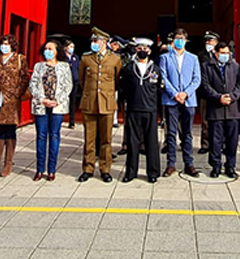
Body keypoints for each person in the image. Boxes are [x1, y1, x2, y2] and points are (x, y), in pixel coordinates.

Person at [78, 27, 122, 183]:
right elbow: (82, 80)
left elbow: (117, 81)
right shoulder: (86, 58)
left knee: (106, 140)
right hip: (90, 102)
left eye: (96, 41)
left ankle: (105, 169)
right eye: (92, 41)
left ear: (104, 42)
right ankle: (88, 168)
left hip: (107, 103)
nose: (94, 43)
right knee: (89, 139)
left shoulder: (115, 59)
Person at [0, 34, 29, 178]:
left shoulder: (20, 59)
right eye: (2, 43)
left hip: (11, 100)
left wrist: (17, 93)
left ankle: (8, 163)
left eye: (7, 44)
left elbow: (24, 78)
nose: (4, 46)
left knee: (10, 130)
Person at [119, 38, 164, 183]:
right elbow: (123, 87)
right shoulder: (128, 68)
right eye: (139, 49)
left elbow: (158, 88)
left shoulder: (155, 68)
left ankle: (153, 172)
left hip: (150, 109)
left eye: (145, 49)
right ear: (135, 50)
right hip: (133, 108)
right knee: (132, 142)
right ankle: (131, 172)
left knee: (151, 142)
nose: (142, 51)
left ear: (150, 51)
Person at [160, 28, 202, 178]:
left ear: (186, 40)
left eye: (182, 38)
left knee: (187, 133)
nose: (179, 41)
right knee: (171, 133)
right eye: (177, 38)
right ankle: (171, 164)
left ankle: (188, 164)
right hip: (171, 99)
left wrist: (186, 93)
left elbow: (197, 79)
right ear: (173, 41)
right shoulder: (165, 57)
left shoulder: (193, 58)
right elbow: (163, 77)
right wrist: (175, 94)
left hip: (188, 99)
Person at [29, 39, 72, 181]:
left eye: (50, 49)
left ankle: (52, 169)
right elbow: (32, 85)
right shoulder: (38, 66)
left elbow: (68, 86)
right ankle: (39, 169)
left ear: (57, 51)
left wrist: (57, 100)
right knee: (41, 136)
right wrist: (42, 99)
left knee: (54, 135)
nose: (48, 51)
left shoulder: (64, 66)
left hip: (57, 106)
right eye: (46, 48)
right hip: (41, 105)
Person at [201, 41, 240, 178]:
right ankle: (216, 166)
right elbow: (205, 86)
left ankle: (230, 166)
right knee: (215, 141)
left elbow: (239, 85)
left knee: (232, 141)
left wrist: (232, 97)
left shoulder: (235, 67)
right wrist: (219, 97)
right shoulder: (207, 67)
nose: (225, 56)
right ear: (215, 53)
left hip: (232, 109)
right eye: (222, 53)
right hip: (215, 109)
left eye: (227, 53)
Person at [196, 30, 219, 155]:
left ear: (216, 42)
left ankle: (218, 144)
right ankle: (205, 144)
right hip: (205, 92)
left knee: (218, 120)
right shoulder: (201, 55)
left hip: (219, 92)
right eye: (207, 41)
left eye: (211, 41)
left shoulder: (221, 54)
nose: (208, 43)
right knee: (205, 120)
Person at [65, 39, 81, 129]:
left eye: (73, 47)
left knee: (73, 101)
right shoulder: (63, 57)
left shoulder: (75, 57)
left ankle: (72, 121)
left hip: (74, 81)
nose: (71, 49)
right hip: (66, 82)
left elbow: (78, 68)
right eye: (70, 46)